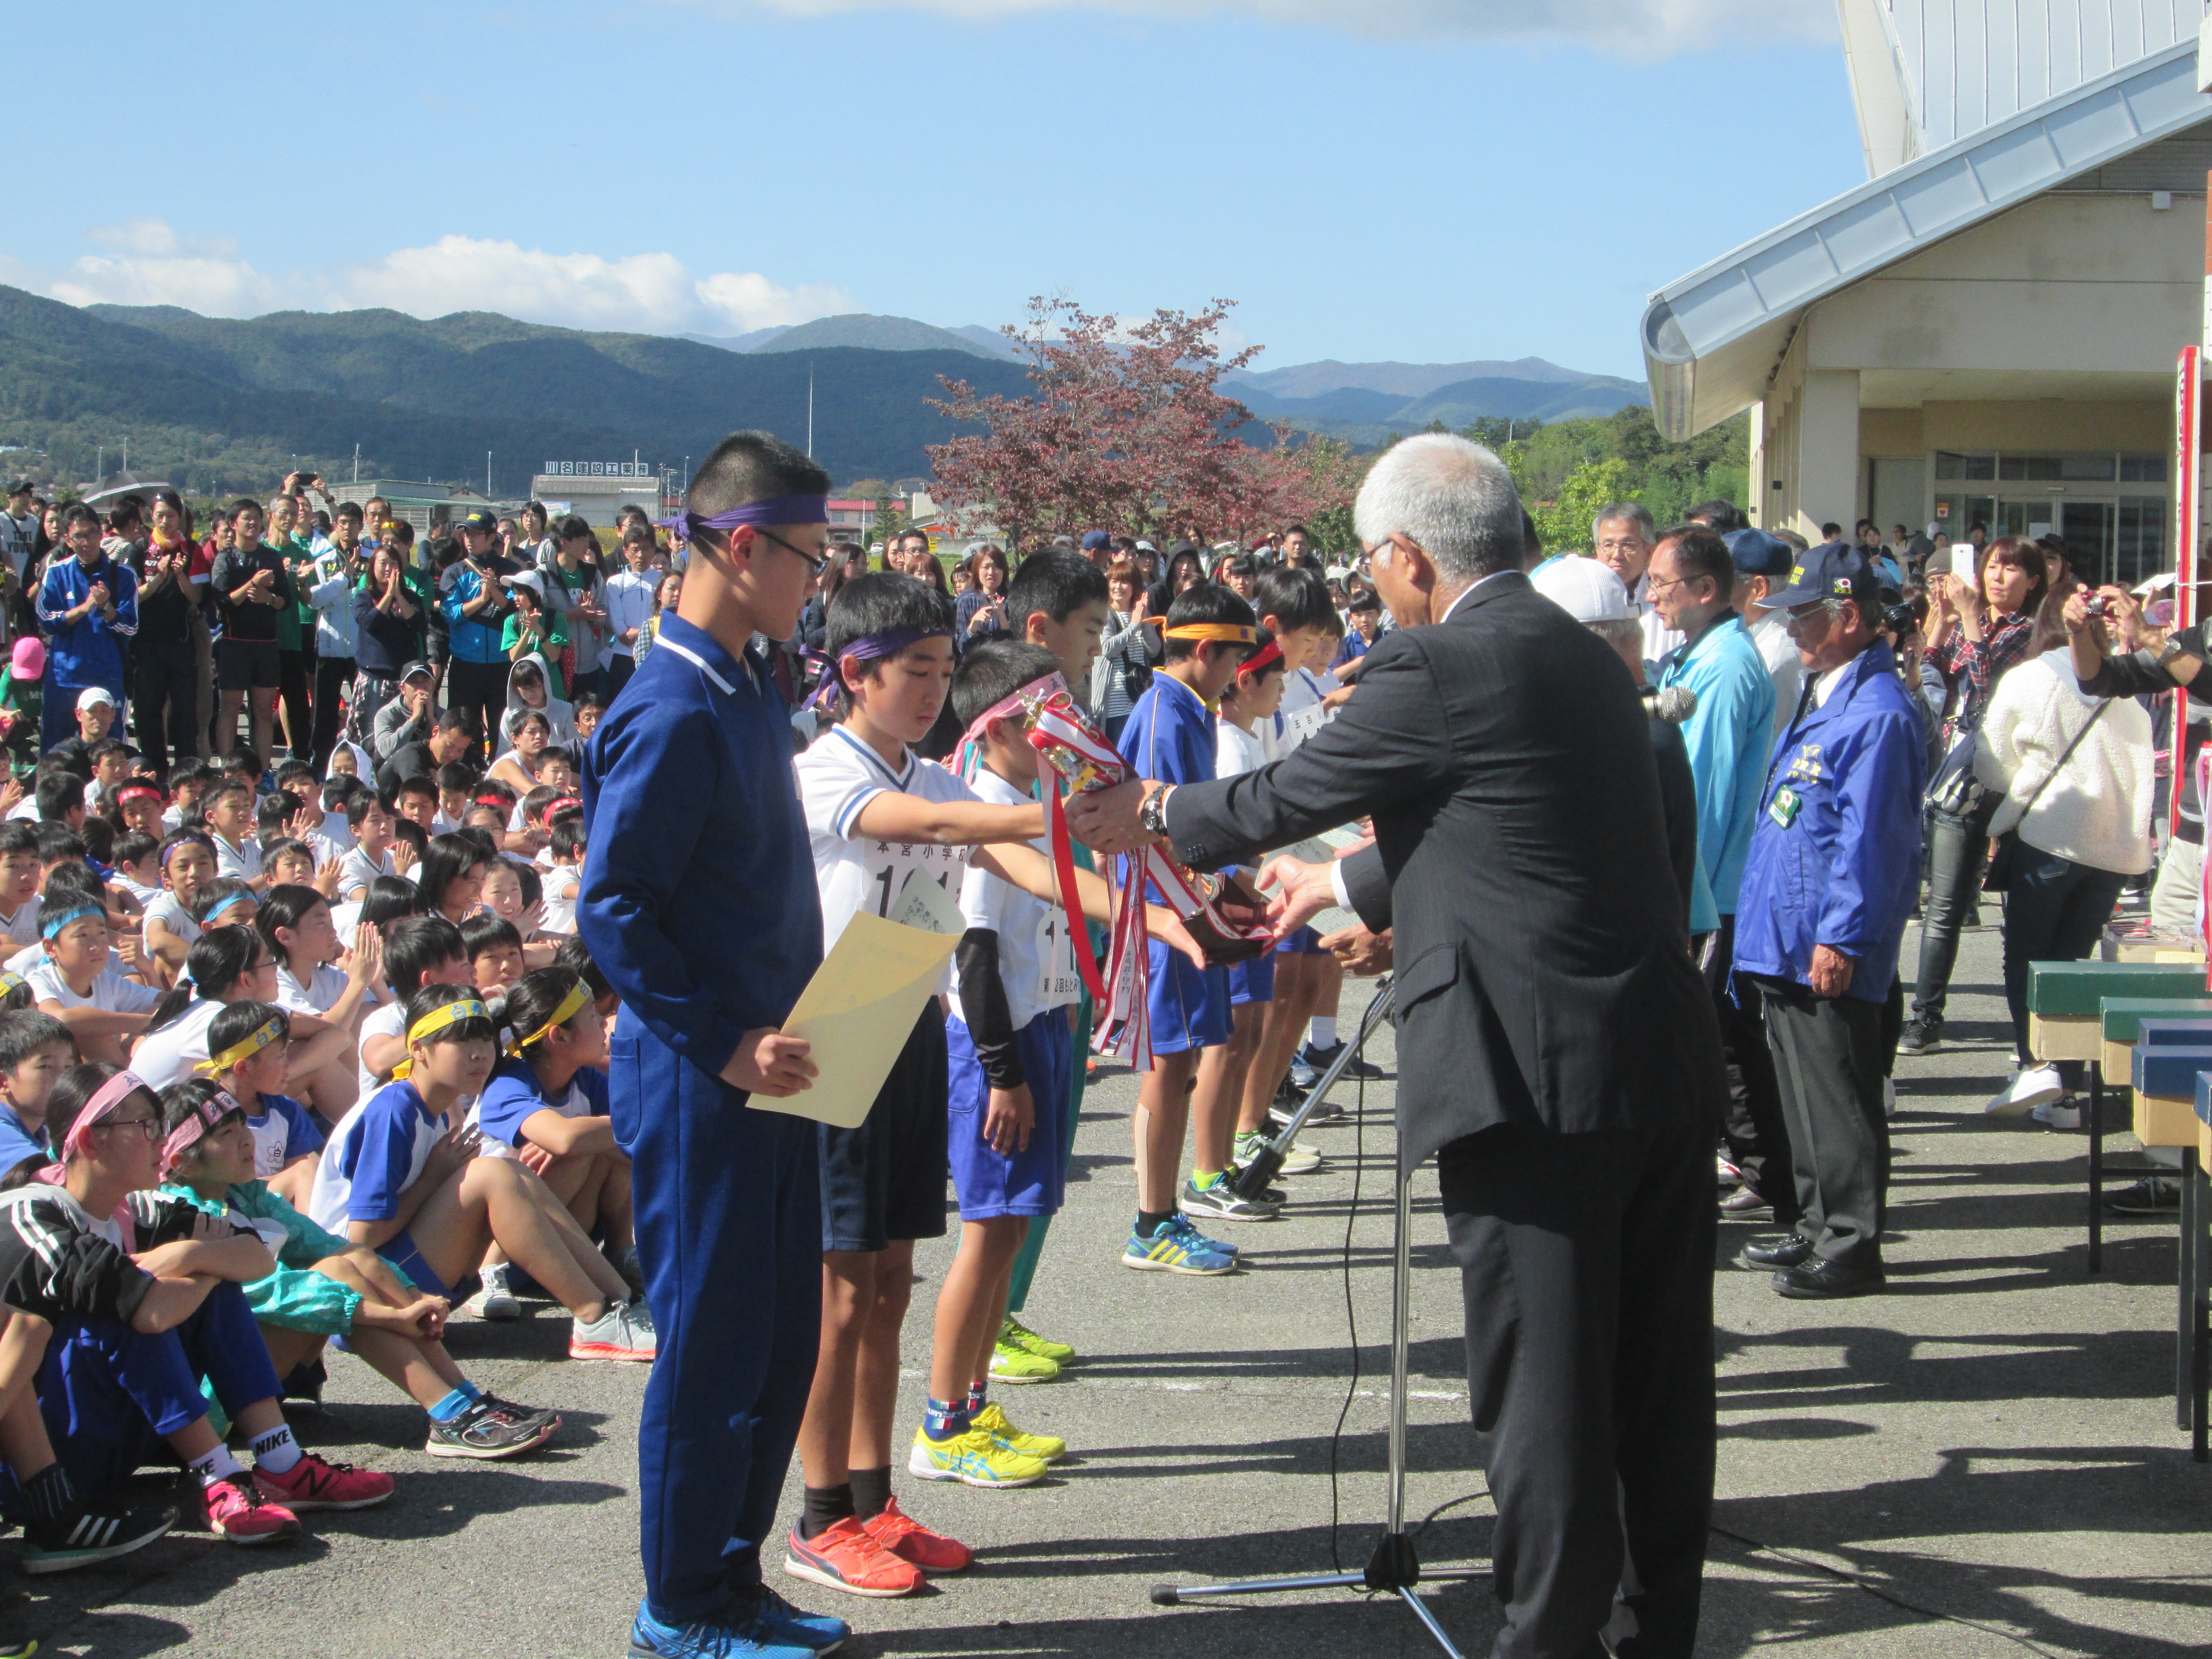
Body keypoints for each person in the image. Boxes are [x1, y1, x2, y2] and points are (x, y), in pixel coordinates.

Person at [1070, 433, 1726, 1659]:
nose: (1371, 586)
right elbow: (1512, 811)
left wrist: (1149, 810)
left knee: (1544, 1398)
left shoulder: (1436, 657)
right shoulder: (1581, 654)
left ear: (1408, 555)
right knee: (1654, 1387)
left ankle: (1546, 1640)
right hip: (1655, 1062)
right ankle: (1650, 1634)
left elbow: (1282, 796)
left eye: (1372, 564)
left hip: (1534, 1081)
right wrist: (1342, 885)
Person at [577, 431, 857, 1659]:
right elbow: (612, 907)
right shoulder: (673, 702)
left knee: (778, 1337)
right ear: (742, 548)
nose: (819, 579)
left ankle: (734, 1575)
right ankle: (681, 1602)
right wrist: (726, 1041)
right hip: (706, 1077)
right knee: (711, 1347)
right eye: (809, 555)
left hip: (780, 1060)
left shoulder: (743, 683)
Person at [156, 1077, 561, 1460]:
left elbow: (333, 1246)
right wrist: (390, 1316)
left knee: (353, 1259)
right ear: (183, 1162)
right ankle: (448, 1414)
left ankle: (466, 1399)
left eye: (243, 1125)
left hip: (258, 1374)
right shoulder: (181, 1219)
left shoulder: (244, 1196)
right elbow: (272, 1293)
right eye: (227, 1134)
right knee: (337, 1277)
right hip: (209, 1404)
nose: (247, 1139)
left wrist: (412, 1296)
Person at [1732, 542, 1926, 1299]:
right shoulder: (1831, 692)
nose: (1792, 630)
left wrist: (1842, 937)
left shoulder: (1877, 713)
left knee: (1839, 1100)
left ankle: (1850, 1243)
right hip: (1788, 934)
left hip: (1822, 939)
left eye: (1805, 617)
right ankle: (1818, 1224)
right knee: (1803, 1095)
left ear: (1848, 616)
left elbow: (1873, 843)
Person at [1117, 581, 1271, 1256]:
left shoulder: (1190, 708)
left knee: (1180, 1062)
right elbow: (1158, 831)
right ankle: (1153, 1223)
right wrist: (1226, 885)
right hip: (1167, 914)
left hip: (1187, 909)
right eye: (1235, 658)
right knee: (1170, 1061)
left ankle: (1161, 1215)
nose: (1238, 674)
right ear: (1204, 650)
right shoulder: (1163, 714)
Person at [1647, 526, 1788, 1225]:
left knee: (1716, 1035)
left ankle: (1768, 1170)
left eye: (1661, 584)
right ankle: (1767, 1168)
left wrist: (1677, 894)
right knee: (1722, 1031)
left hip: (1711, 888)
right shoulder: (1696, 656)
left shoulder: (1726, 666)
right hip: (1707, 885)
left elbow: (1700, 794)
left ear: (1706, 589)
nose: (1651, 597)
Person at [1973, 612, 2154, 1123]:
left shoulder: (2031, 677)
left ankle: (2038, 1067)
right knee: (2072, 965)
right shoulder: (2125, 687)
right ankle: (2067, 1091)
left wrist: (2022, 787)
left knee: (2028, 960)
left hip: (2050, 837)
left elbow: (1990, 763)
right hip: (2112, 849)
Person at [1902, 536, 2046, 1056]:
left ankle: (2031, 1033)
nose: (1997, 577)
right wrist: (1941, 619)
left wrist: (1968, 620)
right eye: (1992, 567)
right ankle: (1926, 1017)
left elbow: (1989, 694)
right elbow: (1930, 674)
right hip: (1960, 778)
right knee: (1944, 906)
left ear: (2033, 580)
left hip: (2012, 779)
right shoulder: (1974, 622)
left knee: (2021, 911)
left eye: (2011, 569)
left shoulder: (2034, 633)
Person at [36, 505, 138, 755]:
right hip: (64, 678)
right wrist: (84, 608)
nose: (87, 542)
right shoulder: (57, 573)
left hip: (106, 676)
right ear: (67, 539)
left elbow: (130, 626)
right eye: (79, 536)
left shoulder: (123, 574)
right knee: (56, 753)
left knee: (110, 753)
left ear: (101, 532)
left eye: (92, 533)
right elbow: (46, 620)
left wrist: (107, 607)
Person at [209, 500, 293, 763]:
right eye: (247, 518)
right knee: (230, 709)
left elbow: (285, 601)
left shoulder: (271, 557)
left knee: (263, 712)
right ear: (233, 524)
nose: (253, 523)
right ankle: (228, 768)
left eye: (257, 517)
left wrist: (270, 598)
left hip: (266, 644)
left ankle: (264, 769)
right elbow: (223, 602)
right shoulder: (226, 558)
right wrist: (252, 585)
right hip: (234, 643)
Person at [1725, 529, 1806, 749]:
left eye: (1723, 584)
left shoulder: (1774, 657)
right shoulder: (1750, 641)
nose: (1709, 595)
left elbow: (1772, 751)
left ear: (1758, 588)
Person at [1592, 501, 1682, 678]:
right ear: (1598, 550)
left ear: (1649, 551)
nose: (1617, 555)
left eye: (1628, 545)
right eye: (1608, 545)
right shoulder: (1582, 599)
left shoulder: (1669, 601)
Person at [602, 527, 660, 701]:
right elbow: (619, 627)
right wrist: (648, 630)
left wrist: (640, 633)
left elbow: (666, 616)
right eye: (635, 549)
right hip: (623, 657)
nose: (641, 555)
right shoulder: (616, 583)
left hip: (656, 654)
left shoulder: (663, 580)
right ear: (626, 552)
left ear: (654, 550)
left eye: (646, 549)